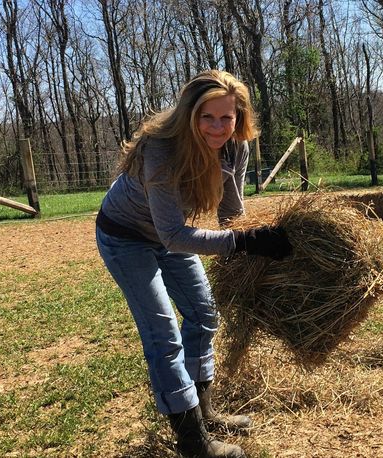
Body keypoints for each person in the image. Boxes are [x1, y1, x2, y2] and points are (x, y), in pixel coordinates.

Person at [96, 70, 292, 458]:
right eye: (208, 117)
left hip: (169, 235)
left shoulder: (235, 148)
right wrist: (245, 242)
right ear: (190, 114)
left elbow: (232, 212)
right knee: (163, 333)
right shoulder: (161, 150)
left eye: (227, 118)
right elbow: (173, 235)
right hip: (126, 237)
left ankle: (205, 412)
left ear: (238, 118)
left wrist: (254, 254)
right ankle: (194, 443)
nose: (218, 127)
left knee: (204, 314)